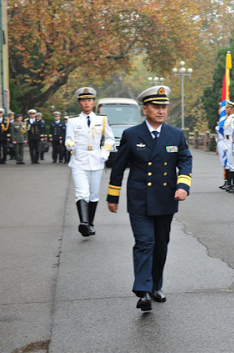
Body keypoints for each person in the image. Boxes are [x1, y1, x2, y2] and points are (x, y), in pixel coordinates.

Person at [107, 85, 192, 312]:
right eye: (156, 107)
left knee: (161, 246)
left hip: (166, 199)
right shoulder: (132, 134)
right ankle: (143, 291)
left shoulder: (176, 134)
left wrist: (183, 185)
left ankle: (156, 286)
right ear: (145, 109)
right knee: (145, 242)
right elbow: (119, 167)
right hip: (140, 199)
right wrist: (112, 195)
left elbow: (185, 161)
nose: (161, 111)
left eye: (164, 107)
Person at [65, 87, 115, 237]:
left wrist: (105, 151)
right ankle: (84, 223)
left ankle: (90, 223)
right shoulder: (73, 121)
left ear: (93, 102)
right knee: (82, 192)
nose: (86, 103)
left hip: (96, 158)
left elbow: (110, 138)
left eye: (89, 100)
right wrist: (71, 147)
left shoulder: (102, 119)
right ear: (79, 103)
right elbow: (68, 139)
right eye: (83, 100)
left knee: (93, 194)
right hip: (79, 158)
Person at [222, 102, 234, 193]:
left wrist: (232, 145)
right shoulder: (228, 118)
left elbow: (233, 132)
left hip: (231, 143)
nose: (226, 110)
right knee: (229, 164)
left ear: (232, 109)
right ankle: (229, 184)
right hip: (227, 142)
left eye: (228, 108)